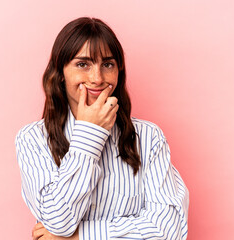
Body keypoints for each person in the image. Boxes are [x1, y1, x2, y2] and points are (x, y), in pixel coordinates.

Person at [15, 17, 189, 240]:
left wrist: (80, 237)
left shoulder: (148, 137)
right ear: (60, 73)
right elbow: (58, 222)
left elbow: (169, 230)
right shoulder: (33, 139)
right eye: (82, 64)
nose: (97, 78)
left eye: (107, 64)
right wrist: (89, 133)